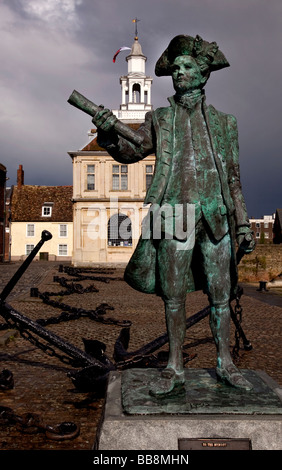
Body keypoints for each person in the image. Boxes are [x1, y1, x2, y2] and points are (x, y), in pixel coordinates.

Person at [92, 34, 255, 396]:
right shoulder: (159, 118)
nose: (179, 73)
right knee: (173, 296)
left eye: (187, 67)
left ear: (203, 74)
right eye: (175, 68)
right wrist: (107, 135)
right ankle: (175, 367)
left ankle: (225, 363)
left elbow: (233, 178)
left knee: (220, 295)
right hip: (172, 212)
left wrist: (242, 222)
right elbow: (131, 152)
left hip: (216, 213)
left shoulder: (226, 123)